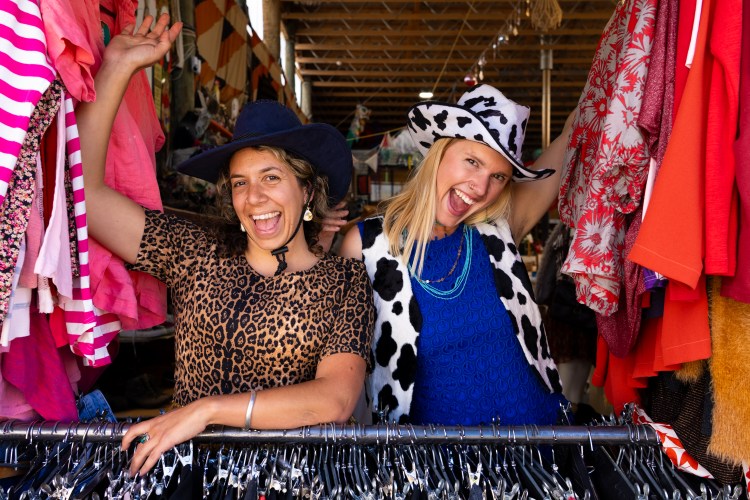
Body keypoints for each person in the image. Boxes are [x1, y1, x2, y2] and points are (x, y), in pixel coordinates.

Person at [77, 14, 375, 475]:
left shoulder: (343, 280)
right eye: (239, 183)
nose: (253, 198)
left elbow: (334, 400)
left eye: (271, 178)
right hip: (191, 475)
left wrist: (207, 411)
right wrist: (116, 67)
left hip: (291, 481)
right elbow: (90, 200)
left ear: (307, 190)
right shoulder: (194, 250)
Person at [340, 84, 573, 426]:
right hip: (435, 458)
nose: (480, 188)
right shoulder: (366, 246)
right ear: (440, 150)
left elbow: (572, 134)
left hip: (541, 446)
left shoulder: (496, 230)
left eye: (498, 176)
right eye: (472, 162)